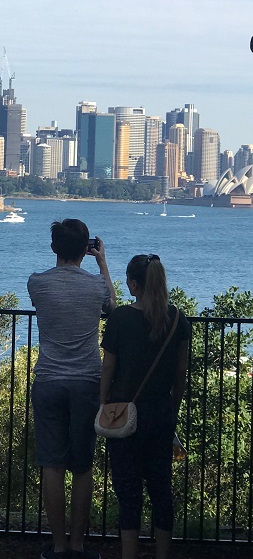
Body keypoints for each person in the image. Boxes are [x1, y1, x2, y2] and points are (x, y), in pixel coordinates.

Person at [28, 218, 116, 559]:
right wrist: (102, 262)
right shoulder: (96, 287)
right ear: (86, 249)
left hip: (48, 379)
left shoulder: (37, 284)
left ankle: (58, 546)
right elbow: (112, 308)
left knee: (52, 464)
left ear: (53, 248)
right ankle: (78, 545)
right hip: (87, 381)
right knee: (82, 466)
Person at [99, 254, 190, 559]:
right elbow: (180, 375)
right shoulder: (177, 320)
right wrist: (172, 408)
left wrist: (103, 404)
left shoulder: (121, 318)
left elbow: (108, 369)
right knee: (161, 489)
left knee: (128, 492)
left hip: (124, 413)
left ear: (134, 284)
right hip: (160, 412)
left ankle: (129, 555)